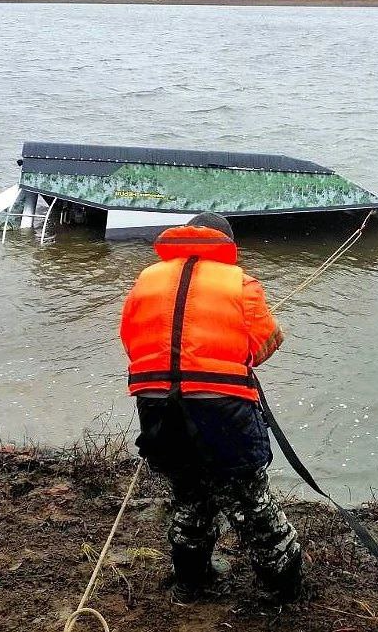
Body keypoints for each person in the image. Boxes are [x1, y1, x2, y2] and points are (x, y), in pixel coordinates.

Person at [119, 212, 302, 604]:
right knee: (250, 499)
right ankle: (283, 588)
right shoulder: (241, 283)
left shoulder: (145, 280)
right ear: (226, 244)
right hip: (223, 410)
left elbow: (131, 341)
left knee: (188, 493)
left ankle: (190, 581)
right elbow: (266, 344)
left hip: (156, 408)